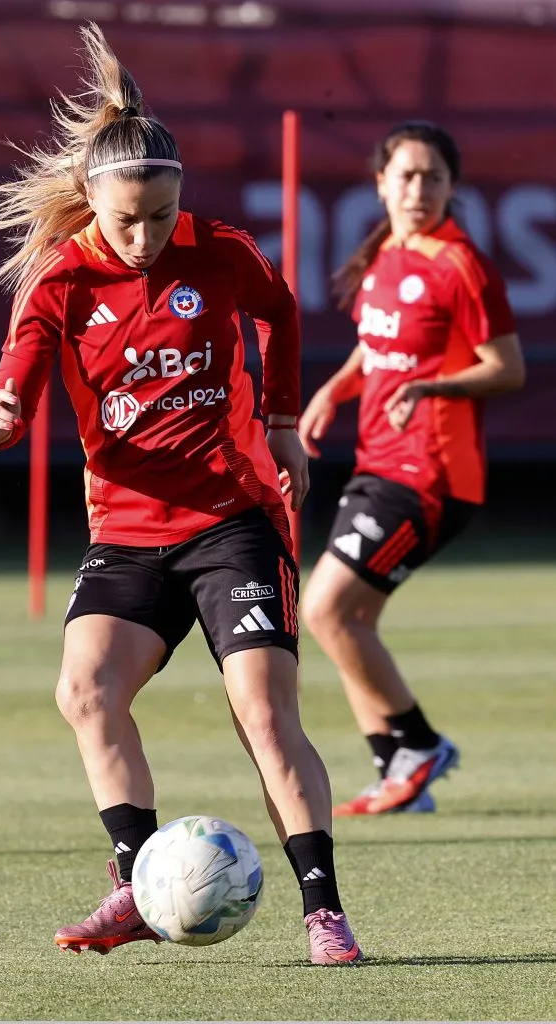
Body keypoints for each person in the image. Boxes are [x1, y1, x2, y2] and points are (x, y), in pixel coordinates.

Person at [0, 23, 362, 964]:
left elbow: (283, 313)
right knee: (85, 691)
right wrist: (3, 410)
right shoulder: (62, 277)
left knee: (264, 715)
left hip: (233, 523)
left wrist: (276, 421)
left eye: (160, 214)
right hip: (128, 534)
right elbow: (15, 376)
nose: (143, 237)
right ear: (92, 201)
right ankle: (139, 880)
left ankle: (323, 912)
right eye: (125, 219)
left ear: (180, 198)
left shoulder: (220, 252)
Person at [298, 121, 525, 817]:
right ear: (380, 184)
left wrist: (433, 388)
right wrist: (332, 392)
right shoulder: (385, 256)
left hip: (430, 476)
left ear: (453, 187)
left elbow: (506, 369)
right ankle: (397, 771)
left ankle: (419, 745)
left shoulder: (460, 264)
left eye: (432, 177)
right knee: (347, 620)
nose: (417, 188)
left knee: (326, 611)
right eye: (405, 175)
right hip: (378, 463)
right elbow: (376, 349)